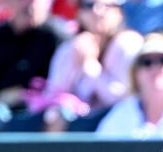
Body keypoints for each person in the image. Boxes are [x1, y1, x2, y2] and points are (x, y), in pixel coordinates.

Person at [41, 0, 143, 131]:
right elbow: (53, 94)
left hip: (120, 128)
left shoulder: (128, 44)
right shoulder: (70, 48)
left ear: (119, 12)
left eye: (105, 6)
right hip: (79, 127)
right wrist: (75, 60)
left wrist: (89, 65)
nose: (96, 11)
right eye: (88, 5)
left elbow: (122, 100)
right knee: (54, 115)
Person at [0, 0, 67, 129]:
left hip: (38, 115)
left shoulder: (58, 38)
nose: (31, 5)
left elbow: (62, 87)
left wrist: (22, 95)